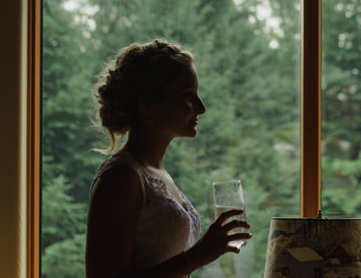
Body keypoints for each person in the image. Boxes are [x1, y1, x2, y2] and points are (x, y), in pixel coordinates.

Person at [86, 39, 251, 278]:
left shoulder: (157, 173)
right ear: (148, 104)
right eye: (187, 95)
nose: (201, 107)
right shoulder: (120, 177)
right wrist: (199, 255)